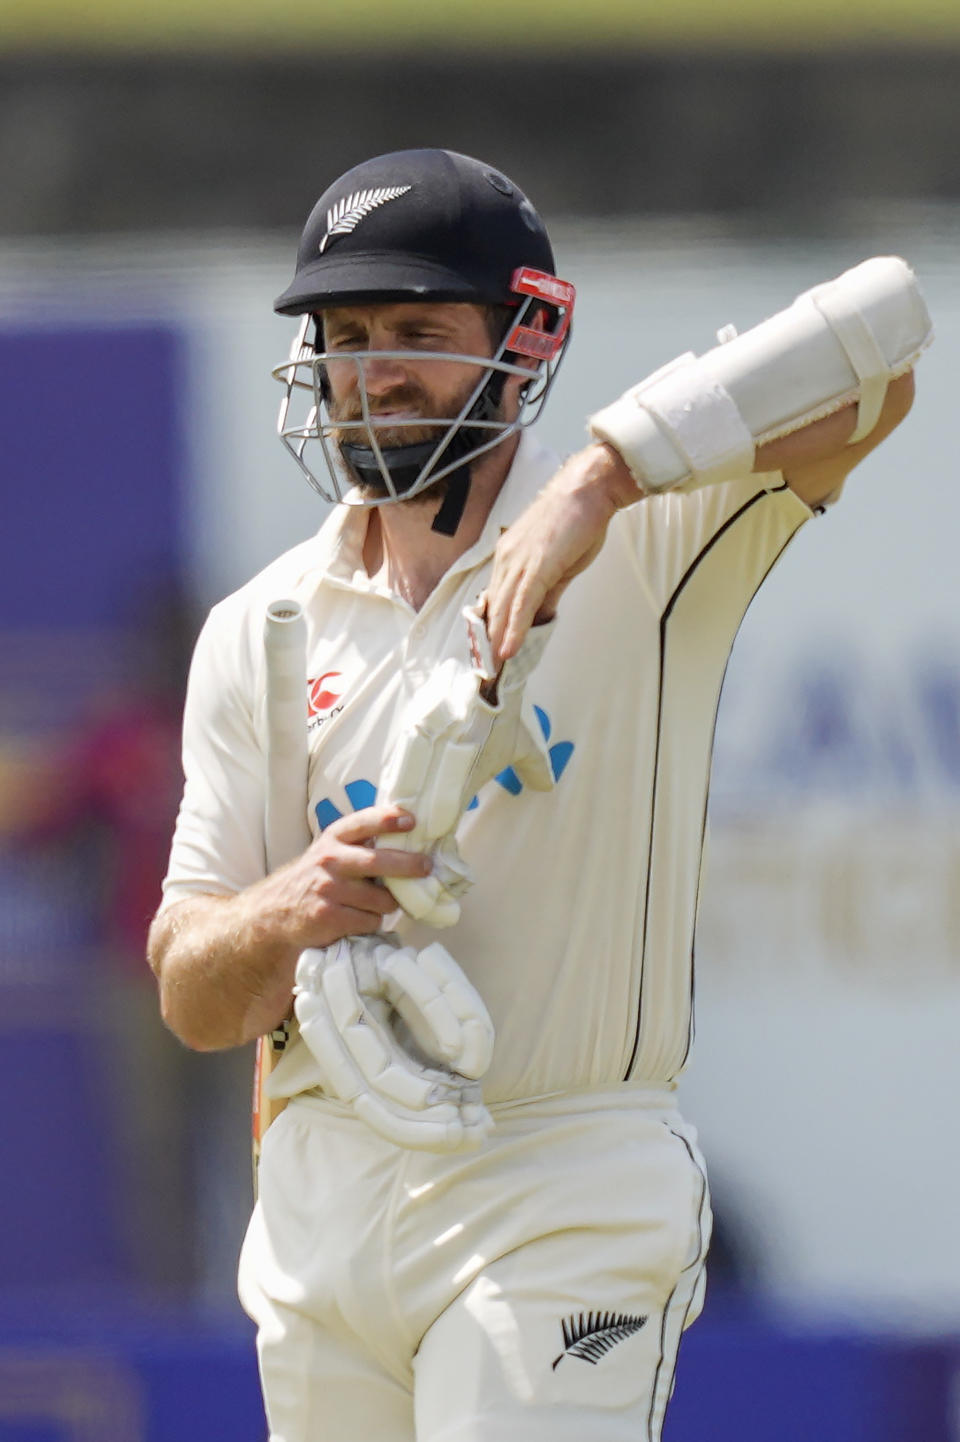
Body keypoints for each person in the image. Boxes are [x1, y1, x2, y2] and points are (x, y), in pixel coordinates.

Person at [148, 149, 921, 1441]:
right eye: (342, 336)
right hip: (321, 1209)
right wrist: (294, 907)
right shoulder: (257, 626)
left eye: (415, 331)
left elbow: (887, 337)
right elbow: (191, 987)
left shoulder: (660, 535)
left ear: (524, 341)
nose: (371, 370)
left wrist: (604, 474)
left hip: (558, 1177)